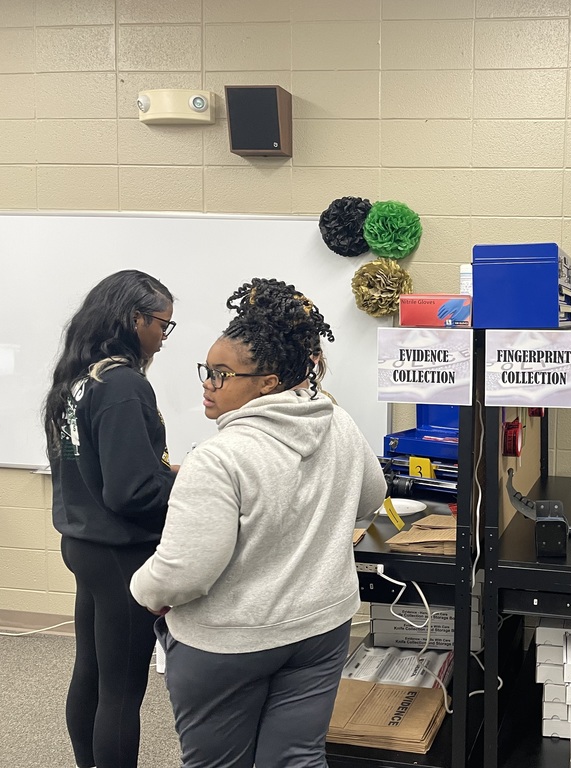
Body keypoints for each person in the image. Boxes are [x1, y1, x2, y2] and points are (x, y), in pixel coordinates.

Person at [130, 278, 387, 768]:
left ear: (268, 382)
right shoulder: (337, 421)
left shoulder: (219, 458)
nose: (207, 383)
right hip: (320, 627)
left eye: (223, 375)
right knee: (297, 759)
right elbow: (370, 498)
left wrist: (143, 591)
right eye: (207, 370)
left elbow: (187, 571)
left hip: (230, 640)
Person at [43, 270, 178, 768]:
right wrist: (188, 485)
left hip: (85, 544)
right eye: (162, 324)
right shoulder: (123, 384)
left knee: (92, 672)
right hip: (123, 552)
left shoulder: (78, 378)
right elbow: (132, 492)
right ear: (133, 319)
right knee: (122, 691)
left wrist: (160, 469)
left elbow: (99, 467)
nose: (164, 337)